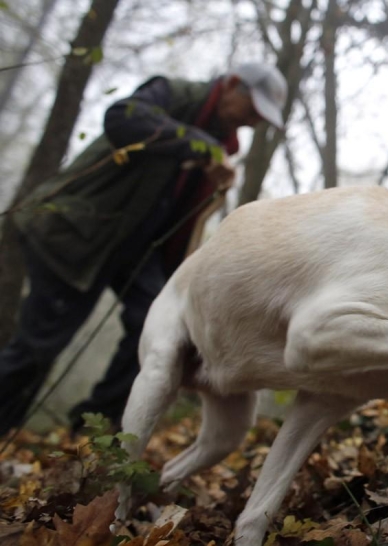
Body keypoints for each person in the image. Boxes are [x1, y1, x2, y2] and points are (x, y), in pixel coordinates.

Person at [0, 62, 288, 436]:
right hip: (75, 235)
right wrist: (200, 148)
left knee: (156, 328)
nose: (252, 123)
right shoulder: (174, 94)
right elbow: (122, 117)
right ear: (232, 85)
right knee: (38, 347)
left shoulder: (221, 144)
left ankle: (91, 432)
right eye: (252, 110)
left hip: (133, 249)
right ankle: (6, 428)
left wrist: (213, 174)